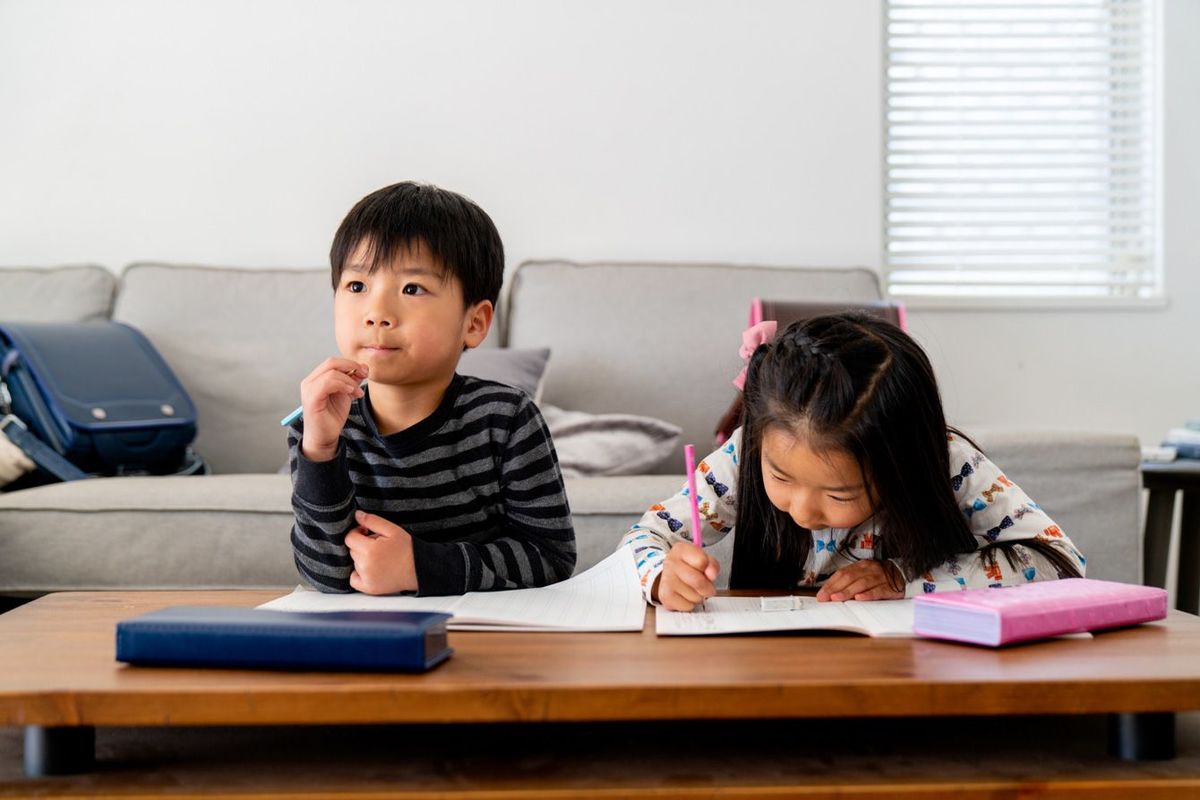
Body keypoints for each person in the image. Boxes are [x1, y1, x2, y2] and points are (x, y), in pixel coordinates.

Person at [619, 312, 1085, 611]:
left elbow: (1062, 563)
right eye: (780, 477)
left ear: (904, 463)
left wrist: (907, 578)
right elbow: (643, 537)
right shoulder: (747, 451)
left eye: (839, 493)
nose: (802, 511)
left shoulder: (949, 463)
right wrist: (661, 576)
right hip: (769, 671)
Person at [289, 181, 575, 595]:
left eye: (412, 289)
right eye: (357, 286)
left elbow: (552, 557)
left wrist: (420, 567)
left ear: (474, 323)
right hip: (369, 645)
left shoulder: (505, 417)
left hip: (487, 637)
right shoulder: (317, 426)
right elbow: (325, 576)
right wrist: (319, 452)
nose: (377, 313)